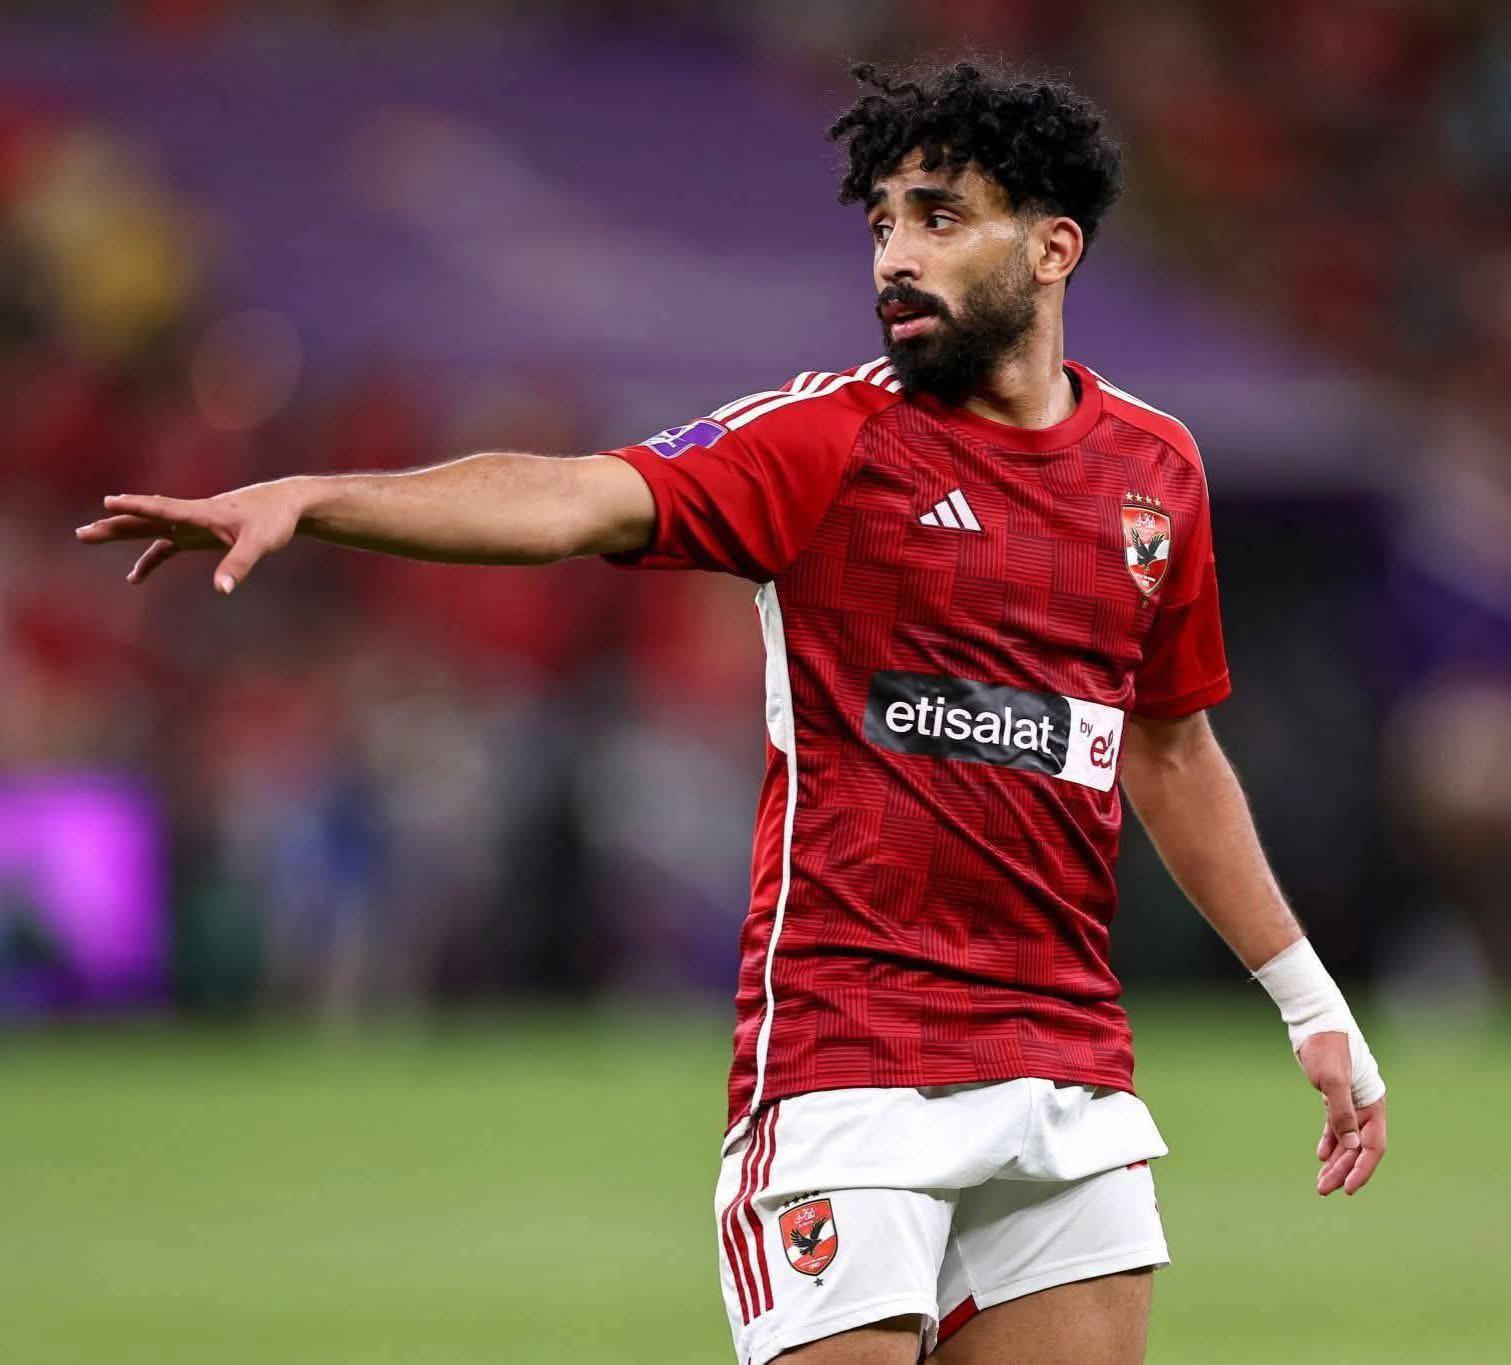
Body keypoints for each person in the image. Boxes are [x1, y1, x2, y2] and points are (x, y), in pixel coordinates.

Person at [77, 60, 1386, 1365]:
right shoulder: (827, 442)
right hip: (851, 1064)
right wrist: (317, 498)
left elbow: (1168, 746)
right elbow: (570, 498)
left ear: (1053, 248)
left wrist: (1304, 996)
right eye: (882, 221)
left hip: (1065, 1068)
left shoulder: (1155, 470)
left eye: (938, 218)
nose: (895, 255)